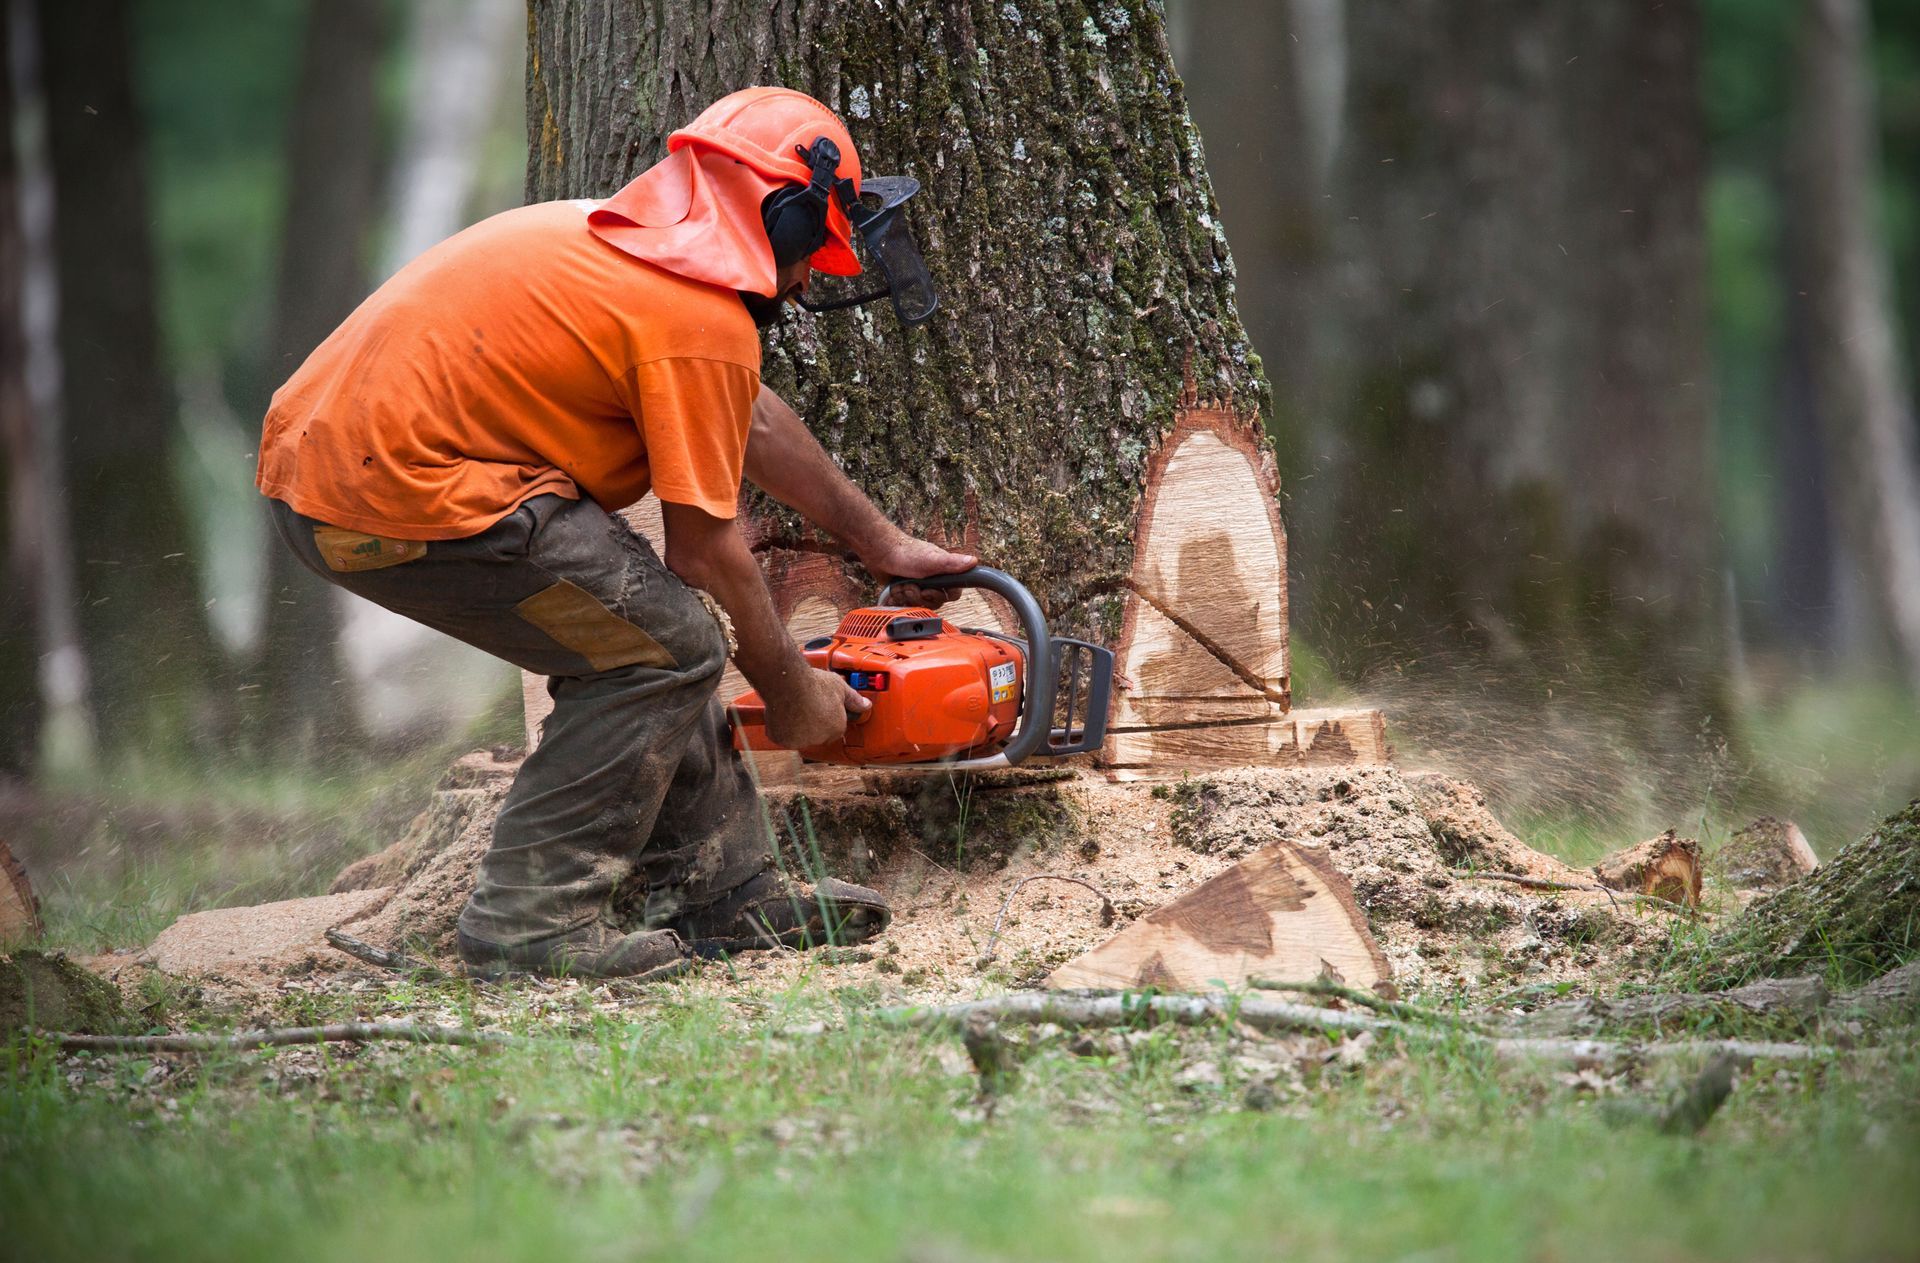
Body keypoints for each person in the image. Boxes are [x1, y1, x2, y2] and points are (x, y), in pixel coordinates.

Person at [255, 87, 972, 980]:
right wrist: (792, 691)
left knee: (652, 633)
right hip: (396, 495)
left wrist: (881, 542)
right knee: (667, 644)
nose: (805, 279)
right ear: (781, 221)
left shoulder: (626, 253)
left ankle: (723, 889)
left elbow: (746, 415)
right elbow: (705, 552)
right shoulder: (695, 316)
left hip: (330, 475)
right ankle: (526, 926)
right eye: (809, 254)